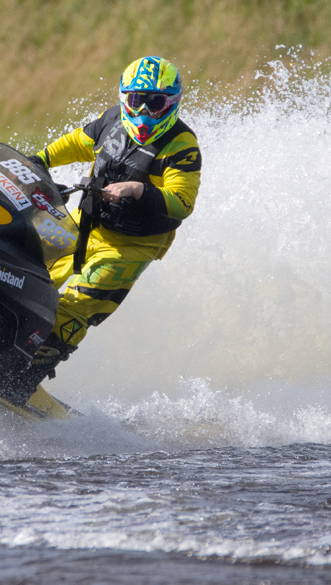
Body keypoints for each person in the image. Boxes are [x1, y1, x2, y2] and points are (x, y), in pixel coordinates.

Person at [13, 56, 202, 403]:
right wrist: (36, 161)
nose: (143, 110)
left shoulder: (182, 146)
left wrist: (138, 189)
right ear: (123, 98)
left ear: (172, 103)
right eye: (136, 100)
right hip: (85, 227)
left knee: (75, 303)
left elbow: (182, 202)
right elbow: (75, 143)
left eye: (155, 102)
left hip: (130, 248)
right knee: (28, 274)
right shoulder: (110, 121)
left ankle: (23, 377)